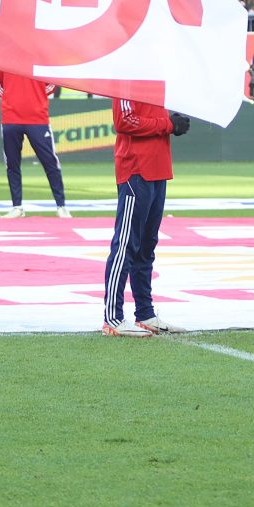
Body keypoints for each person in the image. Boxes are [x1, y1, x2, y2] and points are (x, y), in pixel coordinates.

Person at [102, 98, 189, 337]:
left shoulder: (156, 81)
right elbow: (124, 121)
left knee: (146, 246)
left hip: (157, 167)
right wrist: (169, 125)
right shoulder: (127, 79)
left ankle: (145, 313)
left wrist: (171, 122)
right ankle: (113, 317)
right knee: (126, 244)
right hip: (136, 169)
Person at [0, 71, 70, 219]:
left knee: (50, 162)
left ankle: (61, 206)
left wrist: (35, 96)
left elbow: (52, 82)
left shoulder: (40, 54)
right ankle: (17, 207)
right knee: (12, 164)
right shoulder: (2, 56)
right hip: (11, 118)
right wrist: (13, 99)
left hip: (37, 118)